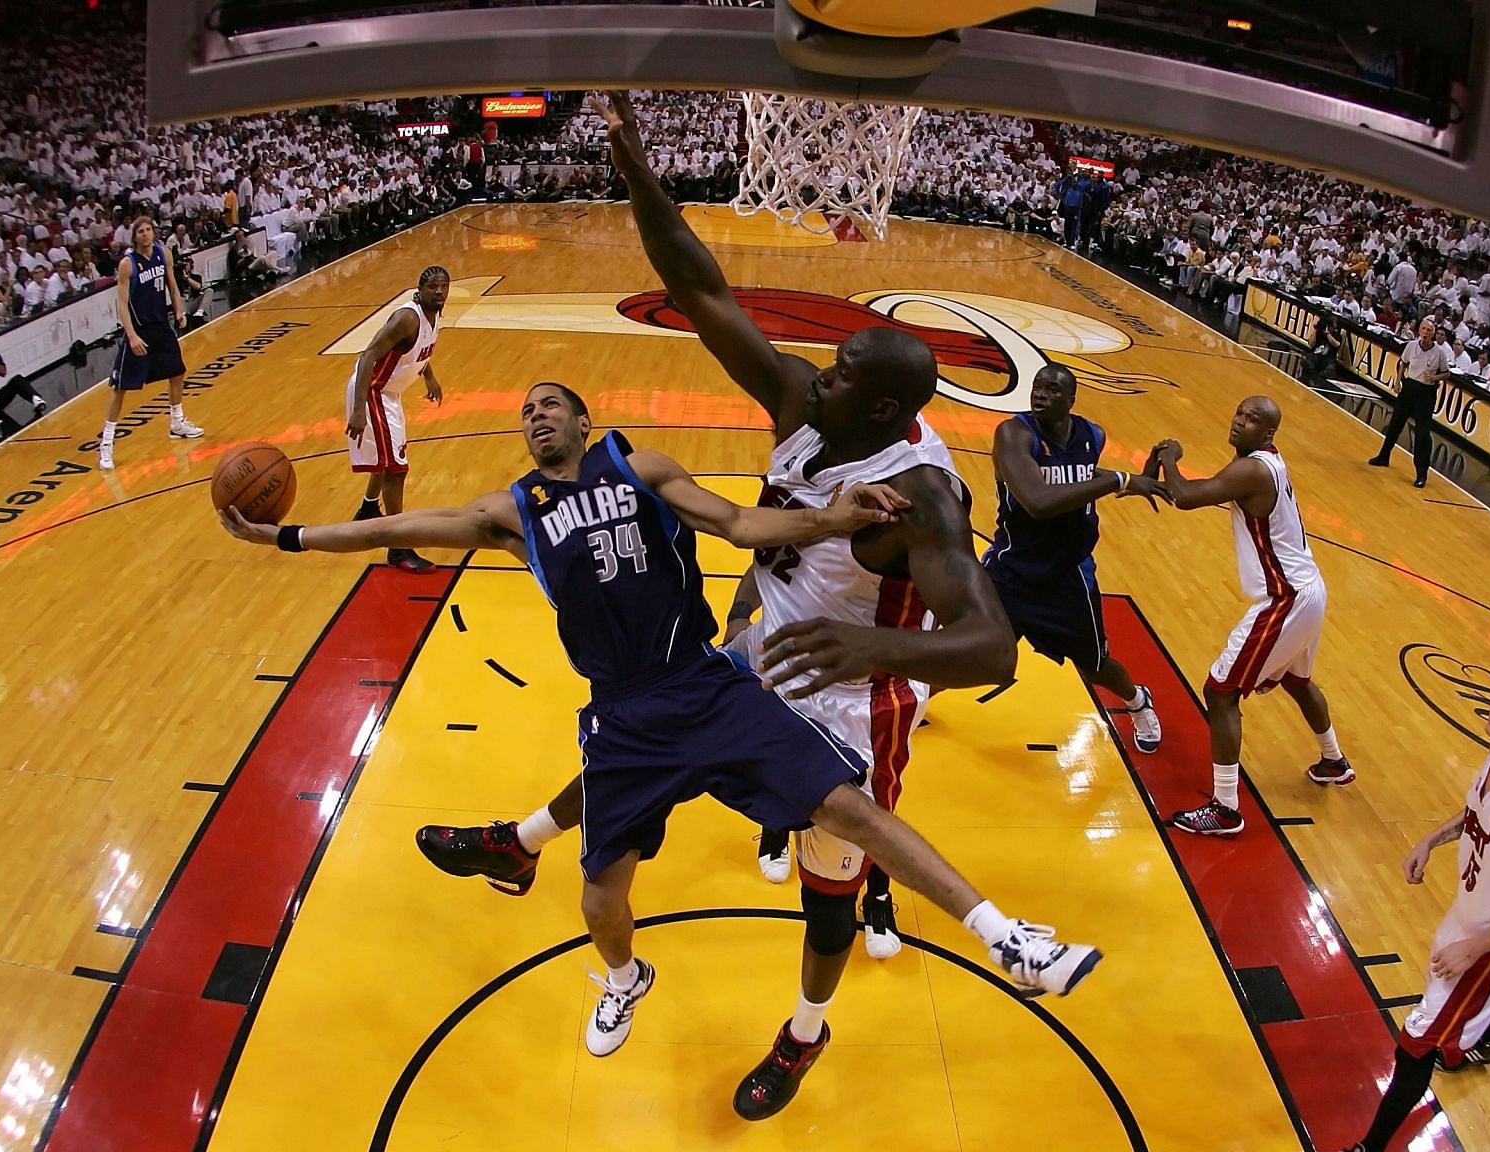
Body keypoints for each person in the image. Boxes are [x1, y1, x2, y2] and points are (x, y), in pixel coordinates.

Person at [219, 380, 1103, 1119]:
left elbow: (741, 526)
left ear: (584, 425)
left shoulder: (637, 468)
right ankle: (623, 974)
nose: (536, 417)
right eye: (528, 410)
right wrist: (285, 538)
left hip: (703, 683)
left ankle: (1006, 934)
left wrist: (834, 517)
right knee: (600, 903)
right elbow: (387, 532)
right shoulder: (510, 512)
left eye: (552, 406)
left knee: (848, 808)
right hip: (624, 719)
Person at [425, 90, 1059, 1075]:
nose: (817, 372)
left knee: (826, 896)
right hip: (769, 644)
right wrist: (641, 181)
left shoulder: (923, 495)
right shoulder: (809, 403)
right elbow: (705, 291)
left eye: (843, 371)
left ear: (885, 407)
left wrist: (875, 648)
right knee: (639, 724)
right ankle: (522, 839)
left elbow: (991, 646)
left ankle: (805, 1032)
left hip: (854, 693)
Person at [1291, 658, 1490, 1152]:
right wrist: (1432, 840)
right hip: (1476, 911)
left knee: (1419, 1042)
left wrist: (1476, 948)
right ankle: (1486, 1038)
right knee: (1462, 1006)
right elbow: (1478, 815)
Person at [1149, 397, 1353, 836]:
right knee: (1297, 681)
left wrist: (1170, 458)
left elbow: (1184, 497)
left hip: (1285, 598)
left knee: (1220, 691)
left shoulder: (1253, 470)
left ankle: (1225, 809)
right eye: (1238, 413)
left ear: (1269, 434)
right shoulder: (1263, 462)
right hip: (1309, 588)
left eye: (1251, 420)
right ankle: (1333, 760)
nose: (1239, 421)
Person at [984, 363, 1166, 756]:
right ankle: (909, 701)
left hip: (1068, 577)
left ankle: (1137, 701)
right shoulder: (1014, 434)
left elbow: (1078, 472)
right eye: (1037, 387)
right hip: (1011, 570)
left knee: (1096, 666)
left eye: (1052, 389)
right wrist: (1119, 480)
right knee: (974, 650)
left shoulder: (1091, 435)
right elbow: (1037, 501)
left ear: (1071, 400)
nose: (1041, 394)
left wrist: (1133, 480)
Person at [346, 265, 449, 573]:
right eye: (433, 286)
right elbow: (368, 356)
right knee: (396, 470)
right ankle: (398, 548)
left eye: (444, 286)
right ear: (420, 289)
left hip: (389, 394)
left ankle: (367, 509)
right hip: (373, 392)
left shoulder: (434, 314)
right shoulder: (406, 318)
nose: (439, 292)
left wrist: (429, 376)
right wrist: (358, 409)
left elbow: (416, 353)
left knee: (386, 458)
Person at [97, 217, 201, 470]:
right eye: (140, 231)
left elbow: (173, 286)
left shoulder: (163, 253)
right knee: (120, 387)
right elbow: (121, 304)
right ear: (134, 237)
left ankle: (177, 422)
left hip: (160, 326)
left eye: (148, 230)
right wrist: (131, 336)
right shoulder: (127, 264)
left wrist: (179, 311)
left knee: (178, 371)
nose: (145, 234)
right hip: (139, 329)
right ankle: (106, 444)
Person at [1368, 315, 1450, 489]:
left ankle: (1421, 473)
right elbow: (1402, 363)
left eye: (1429, 330)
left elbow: (1447, 373)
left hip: (1426, 393)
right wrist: (1398, 382)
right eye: (1423, 329)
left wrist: (1435, 377)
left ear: (1433, 334)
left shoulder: (1439, 353)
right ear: (1419, 330)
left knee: (1422, 434)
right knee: (1395, 424)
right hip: (1409, 388)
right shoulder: (1411, 346)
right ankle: (1384, 456)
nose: (1425, 333)